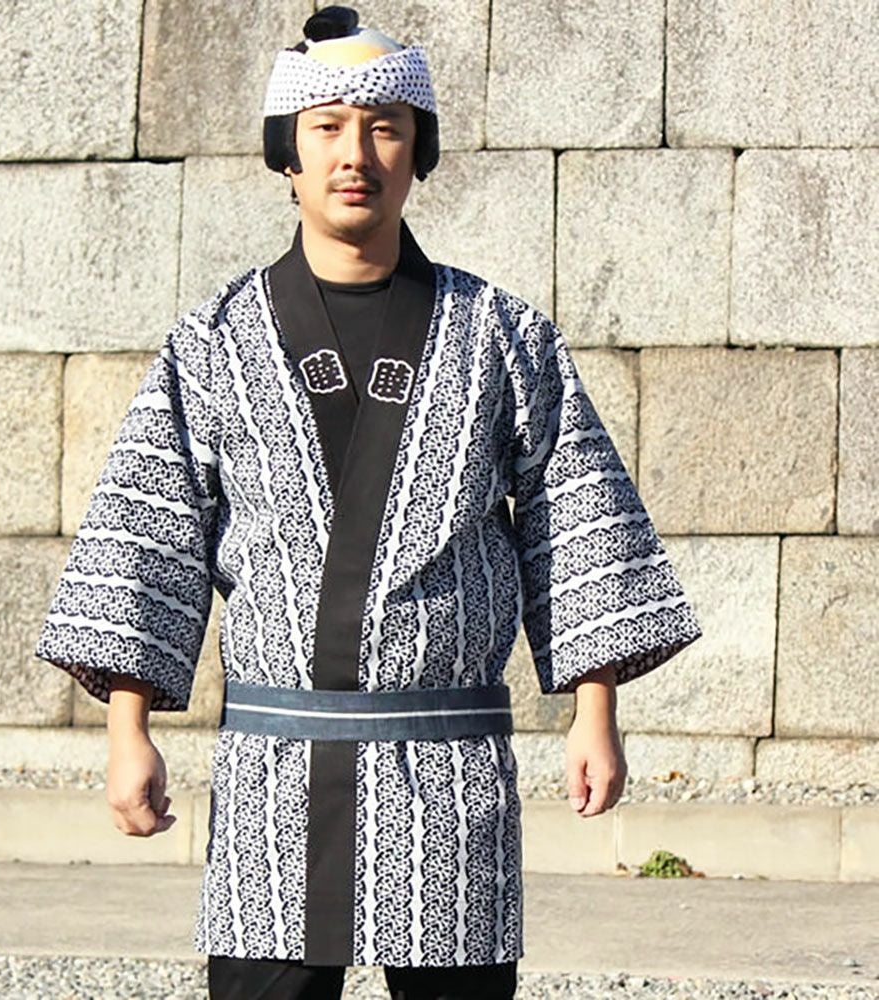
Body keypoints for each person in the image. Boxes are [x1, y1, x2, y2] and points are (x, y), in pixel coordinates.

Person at [34, 7, 702, 999]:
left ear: (416, 154)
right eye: (329, 128)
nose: (357, 153)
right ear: (289, 155)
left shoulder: (499, 335)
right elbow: (149, 534)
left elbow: (573, 519)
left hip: (447, 770)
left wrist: (593, 710)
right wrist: (127, 730)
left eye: (385, 128)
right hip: (276, 769)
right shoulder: (213, 342)